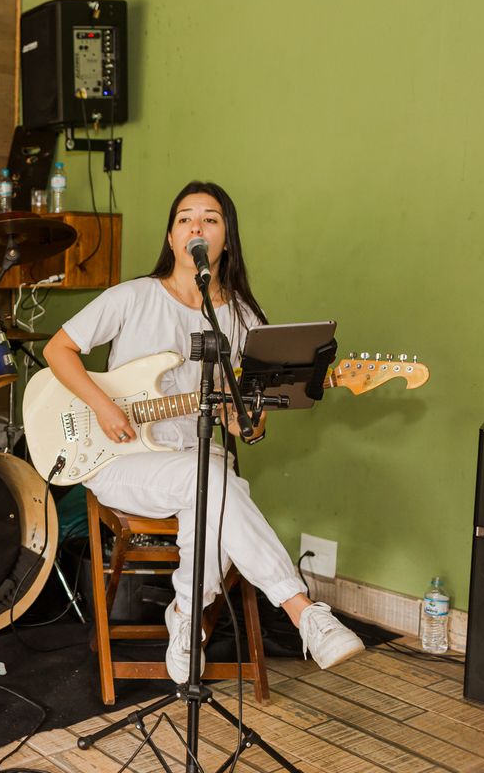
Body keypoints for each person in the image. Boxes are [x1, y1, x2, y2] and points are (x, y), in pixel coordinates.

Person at [42, 181, 364, 683]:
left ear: (226, 239)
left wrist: (250, 419)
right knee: (217, 484)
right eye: (185, 218)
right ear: (172, 238)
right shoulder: (133, 297)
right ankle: (304, 612)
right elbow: (57, 350)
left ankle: (186, 619)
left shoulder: (240, 318)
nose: (196, 226)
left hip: (196, 459)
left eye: (210, 219)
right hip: (118, 458)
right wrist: (103, 406)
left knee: (211, 485)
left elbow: (239, 420)